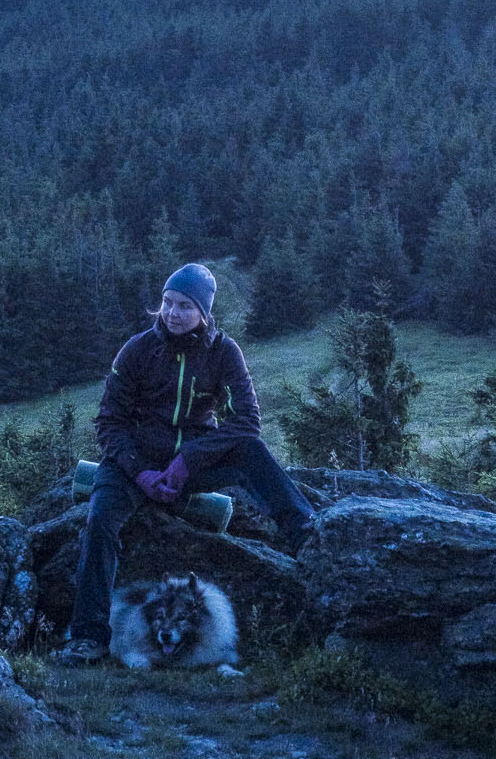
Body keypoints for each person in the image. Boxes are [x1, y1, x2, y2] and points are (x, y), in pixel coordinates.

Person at [60, 262, 317, 664]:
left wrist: (187, 461)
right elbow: (109, 422)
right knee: (100, 522)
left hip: (192, 464)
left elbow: (246, 420)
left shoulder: (223, 353)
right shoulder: (138, 350)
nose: (173, 313)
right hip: (133, 465)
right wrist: (141, 472)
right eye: (167, 303)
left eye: (184, 305)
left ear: (204, 312)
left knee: (252, 452)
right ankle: (89, 635)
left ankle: (306, 534)